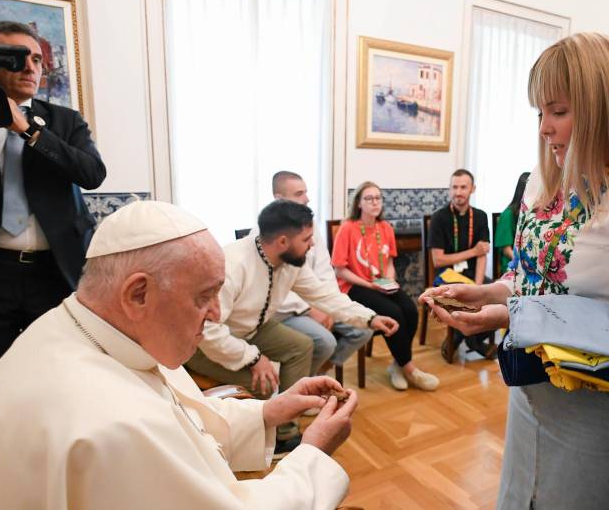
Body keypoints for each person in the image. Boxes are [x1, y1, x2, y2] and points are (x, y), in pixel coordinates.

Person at [0, 201, 358, 509]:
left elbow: (182, 422)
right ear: (137, 293)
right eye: (204, 296)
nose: (215, 314)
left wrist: (269, 411)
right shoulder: (112, 419)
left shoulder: (83, 332)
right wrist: (314, 452)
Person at [423, 32, 609, 509]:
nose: (545, 128)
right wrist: (488, 293)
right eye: (539, 113)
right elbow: (527, 281)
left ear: (603, 107)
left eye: (559, 112)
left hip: (600, 409)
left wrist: (511, 316)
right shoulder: (541, 183)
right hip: (532, 391)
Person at [0, 20, 106, 394]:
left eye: (37, 59)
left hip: (56, 274)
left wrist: (30, 130)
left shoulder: (64, 121)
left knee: (62, 381)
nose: (30, 67)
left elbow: (92, 173)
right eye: (15, 58)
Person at [187, 200, 397, 457]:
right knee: (263, 384)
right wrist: (254, 358)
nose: (312, 245)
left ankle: (286, 429)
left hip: (252, 330)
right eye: (307, 239)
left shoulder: (291, 263)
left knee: (302, 345)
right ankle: (266, 440)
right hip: (202, 345)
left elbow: (326, 296)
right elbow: (208, 330)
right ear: (283, 242)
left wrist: (369, 318)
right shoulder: (233, 265)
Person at [333, 182, 439, 392]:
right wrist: (371, 285)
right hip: (355, 286)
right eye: (369, 198)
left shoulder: (385, 228)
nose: (374, 202)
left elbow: (389, 263)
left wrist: (390, 281)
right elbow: (340, 270)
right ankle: (409, 369)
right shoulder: (347, 228)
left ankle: (397, 365)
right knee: (394, 313)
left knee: (410, 310)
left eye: (378, 198)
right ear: (359, 203)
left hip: (382, 284)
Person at [272, 171, 374, 376]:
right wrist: (310, 309)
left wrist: (329, 307)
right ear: (279, 199)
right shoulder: (269, 232)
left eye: (306, 192)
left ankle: (317, 374)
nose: (307, 198)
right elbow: (276, 289)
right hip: (287, 310)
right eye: (299, 193)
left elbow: (325, 270)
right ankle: (299, 387)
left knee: (363, 330)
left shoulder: (310, 225)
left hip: (318, 300)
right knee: (325, 341)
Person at [427, 168, 493, 359]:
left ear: (472, 189)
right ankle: (468, 338)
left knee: (499, 299)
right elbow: (438, 259)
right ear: (449, 190)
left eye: (463, 187)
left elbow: (483, 255)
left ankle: (466, 338)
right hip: (445, 276)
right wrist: (472, 251)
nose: (458, 192)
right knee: (459, 298)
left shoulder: (480, 216)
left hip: (472, 275)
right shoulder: (439, 217)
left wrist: (479, 287)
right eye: (454, 187)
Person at [493, 171, 530, 275]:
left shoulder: (532, 212)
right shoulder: (508, 215)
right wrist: (526, 264)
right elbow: (506, 250)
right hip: (513, 264)